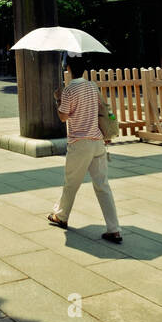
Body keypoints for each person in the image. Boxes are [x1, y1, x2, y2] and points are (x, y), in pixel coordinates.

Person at [48, 55, 121, 243]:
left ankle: (61, 216)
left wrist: (58, 99)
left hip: (79, 142)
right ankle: (114, 228)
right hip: (97, 140)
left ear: (69, 69)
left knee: (71, 183)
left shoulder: (69, 90)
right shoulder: (92, 86)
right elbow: (100, 109)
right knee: (103, 185)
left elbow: (63, 116)